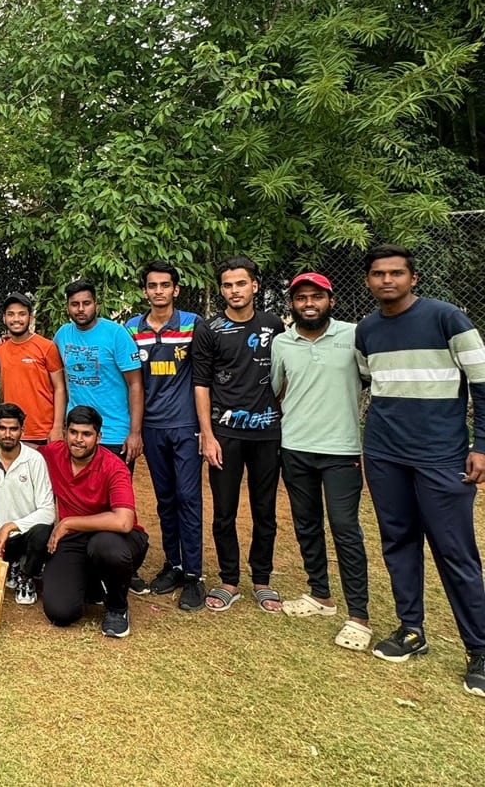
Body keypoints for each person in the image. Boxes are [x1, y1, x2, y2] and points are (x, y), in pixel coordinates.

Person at [355, 244, 485, 696]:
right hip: (385, 453)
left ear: (413, 278)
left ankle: (479, 648)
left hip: (441, 456)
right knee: (398, 541)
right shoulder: (367, 329)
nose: (386, 280)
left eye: (396, 273)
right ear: (368, 280)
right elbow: (372, 382)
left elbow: (482, 383)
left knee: (455, 550)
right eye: (378, 274)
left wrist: (481, 445)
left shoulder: (448, 318)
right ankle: (412, 629)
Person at [271, 272, 370, 650]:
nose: (309, 304)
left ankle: (358, 616)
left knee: (345, 527)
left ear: (331, 300)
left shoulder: (353, 335)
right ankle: (320, 596)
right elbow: (276, 389)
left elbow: (369, 378)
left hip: (341, 449)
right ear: (292, 304)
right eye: (301, 298)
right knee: (307, 523)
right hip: (295, 446)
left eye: (316, 297)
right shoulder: (282, 342)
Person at [192, 256, 284, 613]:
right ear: (221, 289)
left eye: (241, 283)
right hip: (224, 434)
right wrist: (207, 434)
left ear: (254, 286)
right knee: (224, 511)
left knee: (265, 510)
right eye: (228, 285)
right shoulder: (210, 329)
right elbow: (201, 384)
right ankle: (229, 580)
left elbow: (284, 374)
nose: (235, 290)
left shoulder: (274, 325)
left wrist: (277, 410)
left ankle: (262, 579)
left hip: (266, 433)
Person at [125, 262, 206, 611]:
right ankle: (173, 564)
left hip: (186, 425)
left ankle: (194, 575)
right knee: (166, 499)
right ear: (145, 291)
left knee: (188, 497)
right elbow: (130, 378)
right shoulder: (132, 328)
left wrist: (206, 427)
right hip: (152, 427)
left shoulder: (192, 324)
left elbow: (206, 373)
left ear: (176, 289)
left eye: (165, 285)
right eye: (152, 285)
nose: (159, 291)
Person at [37, 406, 149, 637]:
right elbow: (28, 451)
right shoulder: (55, 453)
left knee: (103, 546)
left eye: (86, 434)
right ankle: (93, 584)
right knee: (60, 612)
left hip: (117, 538)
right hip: (75, 539)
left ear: (98, 437)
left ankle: (117, 608)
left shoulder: (113, 466)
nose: (78, 440)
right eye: (73, 432)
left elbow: (124, 521)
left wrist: (68, 523)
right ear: (65, 432)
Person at [0, 404, 55, 606]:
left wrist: (9, 527)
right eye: (3, 428)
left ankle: (26, 575)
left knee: (42, 531)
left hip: (28, 534)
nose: (7, 434)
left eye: (13, 429)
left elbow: (48, 511)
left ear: (22, 430)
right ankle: (12, 563)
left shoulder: (34, 460)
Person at [54, 280, 142, 467]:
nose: (80, 309)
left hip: (114, 433)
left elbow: (135, 384)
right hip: (76, 432)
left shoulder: (116, 334)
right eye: (74, 304)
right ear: (67, 307)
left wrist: (135, 433)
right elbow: (46, 365)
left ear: (96, 305)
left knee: (114, 486)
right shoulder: (62, 335)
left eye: (86, 303)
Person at [0, 292, 66, 446]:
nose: (16, 319)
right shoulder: (0, 349)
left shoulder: (47, 347)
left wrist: (57, 426)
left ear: (31, 318)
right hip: (12, 430)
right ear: (4, 318)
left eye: (22, 314)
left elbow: (60, 388)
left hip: (43, 431)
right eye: (11, 314)